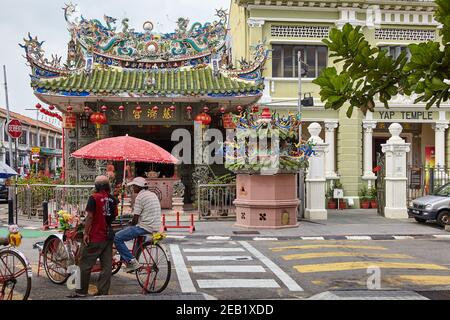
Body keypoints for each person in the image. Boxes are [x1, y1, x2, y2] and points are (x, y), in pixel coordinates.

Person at [75, 175, 118, 297]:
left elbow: (89, 217)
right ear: (108, 186)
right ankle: (103, 291)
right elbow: (114, 215)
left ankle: (81, 291)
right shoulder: (112, 199)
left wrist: (86, 233)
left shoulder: (93, 198)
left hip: (94, 236)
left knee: (84, 264)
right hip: (107, 237)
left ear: (96, 186)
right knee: (107, 266)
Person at [114, 177, 161, 272]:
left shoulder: (140, 197)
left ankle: (131, 261)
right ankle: (134, 260)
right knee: (135, 236)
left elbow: (135, 220)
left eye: (134, 186)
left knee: (117, 237)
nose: (133, 188)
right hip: (154, 226)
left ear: (138, 187)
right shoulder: (152, 194)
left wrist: (129, 223)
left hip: (145, 227)